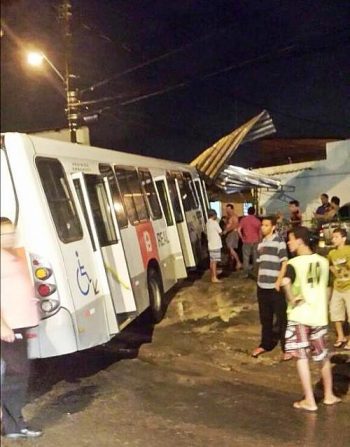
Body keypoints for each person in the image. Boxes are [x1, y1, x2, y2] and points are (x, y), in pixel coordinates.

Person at [282, 226, 341, 411]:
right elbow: (330, 287)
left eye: (290, 239)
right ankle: (329, 395)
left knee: (301, 356)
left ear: (300, 241)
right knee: (322, 356)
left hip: (300, 315)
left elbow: (285, 282)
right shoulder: (323, 261)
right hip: (319, 315)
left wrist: (291, 298)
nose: (288, 242)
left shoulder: (294, 263)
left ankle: (309, 400)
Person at [1, 218, 42, 439]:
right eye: (4, 234)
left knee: (18, 374)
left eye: (11, 232)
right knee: (16, 374)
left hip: (20, 325)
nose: (9, 237)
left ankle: (15, 423)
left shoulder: (9, 256)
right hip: (9, 328)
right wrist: (2, 326)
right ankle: (12, 425)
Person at [252, 216, 289, 359]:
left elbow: (284, 262)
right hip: (262, 286)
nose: (263, 228)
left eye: (266, 225)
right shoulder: (260, 244)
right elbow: (259, 264)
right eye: (262, 225)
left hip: (275, 287)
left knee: (281, 318)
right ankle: (265, 344)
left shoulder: (279, 241)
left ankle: (287, 348)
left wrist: (278, 281)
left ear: (273, 227)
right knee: (265, 318)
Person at [328, 228, 350, 349]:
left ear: (343, 238)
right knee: (335, 312)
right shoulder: (332, 253)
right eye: (333, 237)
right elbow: (330, 264)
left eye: (336, 237)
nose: (333, 239)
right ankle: (340, 336)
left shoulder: (348, 250)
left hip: (349, 286)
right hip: (338, 287)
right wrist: (335, 273)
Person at [238, 206, 261, 278]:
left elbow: (239, 230)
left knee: (246, 258)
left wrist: (242, 238)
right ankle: (255, 273)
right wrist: (260, 241)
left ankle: (245, 274)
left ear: (247, 212)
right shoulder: (257, 221)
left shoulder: (243, 220)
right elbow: (260, 232)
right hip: (256, 241)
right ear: (254, 212)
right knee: (255, 257)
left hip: (246, 241)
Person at [206, 209, 223, 283]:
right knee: (214, 262)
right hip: (215, 244)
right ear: (214, 215)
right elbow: (220, 232)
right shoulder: (214, 222)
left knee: (212, 261)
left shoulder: (208, 223)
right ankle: (214, 277)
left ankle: (213, 274)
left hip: (211, 244)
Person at [223, 204, 242, 270]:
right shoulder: (228, 217)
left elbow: (235, 225)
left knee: (230, 248)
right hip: (229, 234)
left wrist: (227, 230)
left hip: (233, 233)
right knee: (230, 250)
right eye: (226, 209)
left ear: (232, 209)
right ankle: (232, 264)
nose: (227, 211)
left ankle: (238, 262)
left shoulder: (234, 216)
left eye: (229, 209)